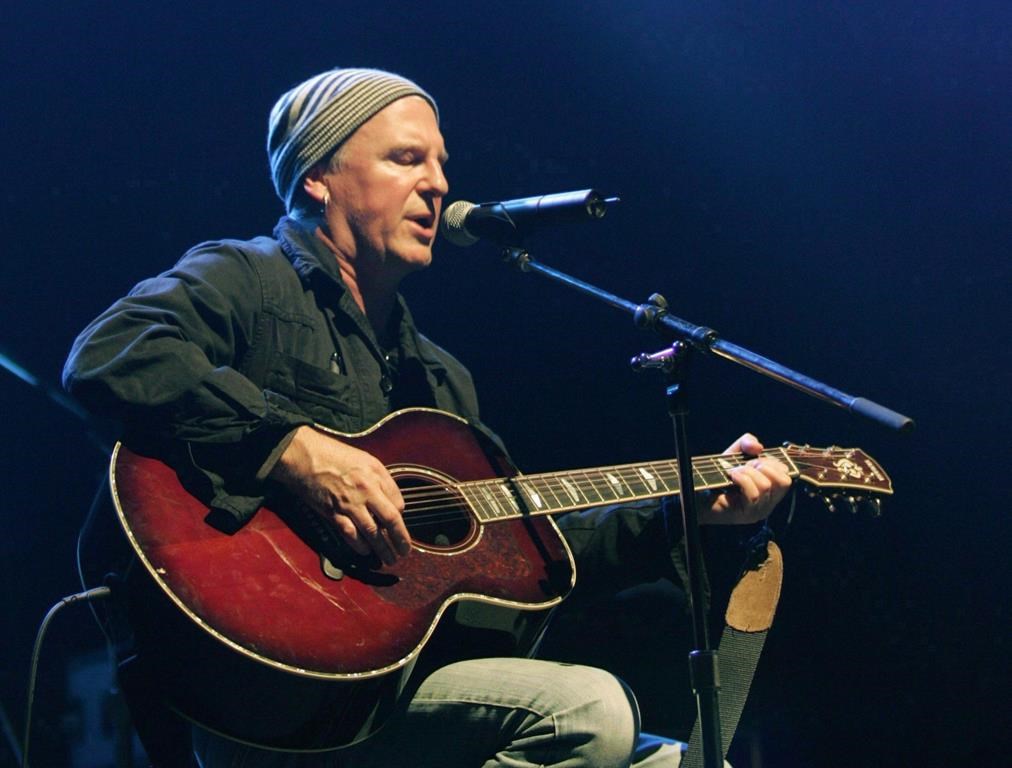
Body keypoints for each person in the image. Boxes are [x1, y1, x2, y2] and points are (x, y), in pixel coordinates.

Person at [63, 68, 791, 768]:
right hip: (274, 704)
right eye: (406, 159)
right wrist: (292, 448)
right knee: (588, 711)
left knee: (693, 764)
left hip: (389, 701)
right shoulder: (247, 278)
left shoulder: (438, 377)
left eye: (440, 164)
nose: (439, 184)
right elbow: (112, 352)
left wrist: (681, 511)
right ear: (318, 177)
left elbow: (523, 547)